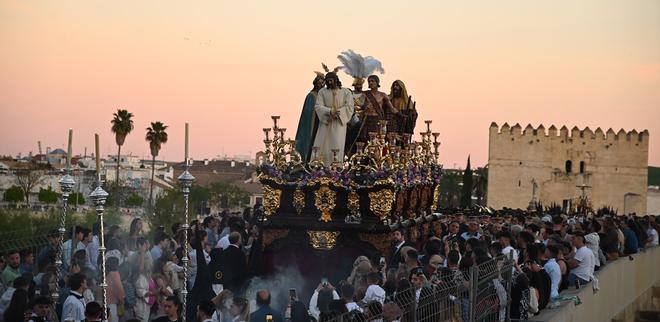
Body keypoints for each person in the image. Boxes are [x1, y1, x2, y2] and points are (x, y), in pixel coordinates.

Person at [311, 71, 354, 166]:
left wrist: (338, 113)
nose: (329, 83)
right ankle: (320, 166)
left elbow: (350, 106)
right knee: (322, 144)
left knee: (337, 143)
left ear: (336, 80)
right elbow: (318, 106)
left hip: (339, 123)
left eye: (331, 81)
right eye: (327, 81)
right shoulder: (322, 92)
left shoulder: (345, 92)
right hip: (326, 122)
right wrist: (329, 111)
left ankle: (336, 167)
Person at [295, 73, 325, 163]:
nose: (320, 86)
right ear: (315, 84)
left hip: (320, 122)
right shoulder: (311, 96)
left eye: (322, 84)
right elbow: (308, 112)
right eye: (318, 83)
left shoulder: (322, 96)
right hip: (312, 123)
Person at [105, 257, 125, 322]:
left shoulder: (104, 273)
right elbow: (119, 289)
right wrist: (122, 299)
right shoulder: (114, 274)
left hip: (103, 304)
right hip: (112, 305)